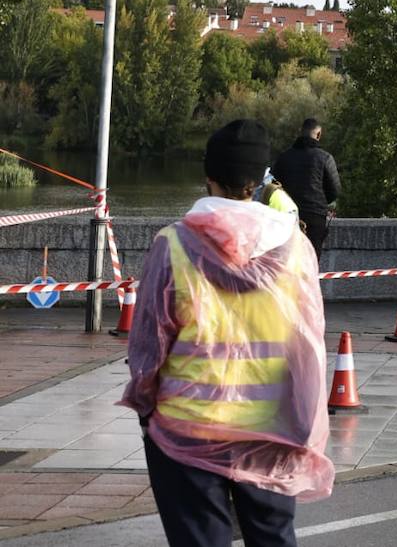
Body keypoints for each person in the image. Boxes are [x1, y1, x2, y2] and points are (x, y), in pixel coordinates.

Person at [120, 119, 332, 546]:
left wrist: (144, 407)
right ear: (258, 182)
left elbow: (147, 346)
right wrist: (306, 419)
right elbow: (310, 342)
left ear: (208, 177)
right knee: (273, 538)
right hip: (271, 428)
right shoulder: (294, 248)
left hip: (189, 429)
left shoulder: (174, 245)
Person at [272, 118, 342, 257]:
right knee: (311, 261)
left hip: (287, 216)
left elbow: (273, 187)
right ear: (318, 134)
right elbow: (335, 190)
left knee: (287, 261)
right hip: (315, 217)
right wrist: (321, 201)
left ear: (300, 133)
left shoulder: (283, 158)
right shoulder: (325, 158)